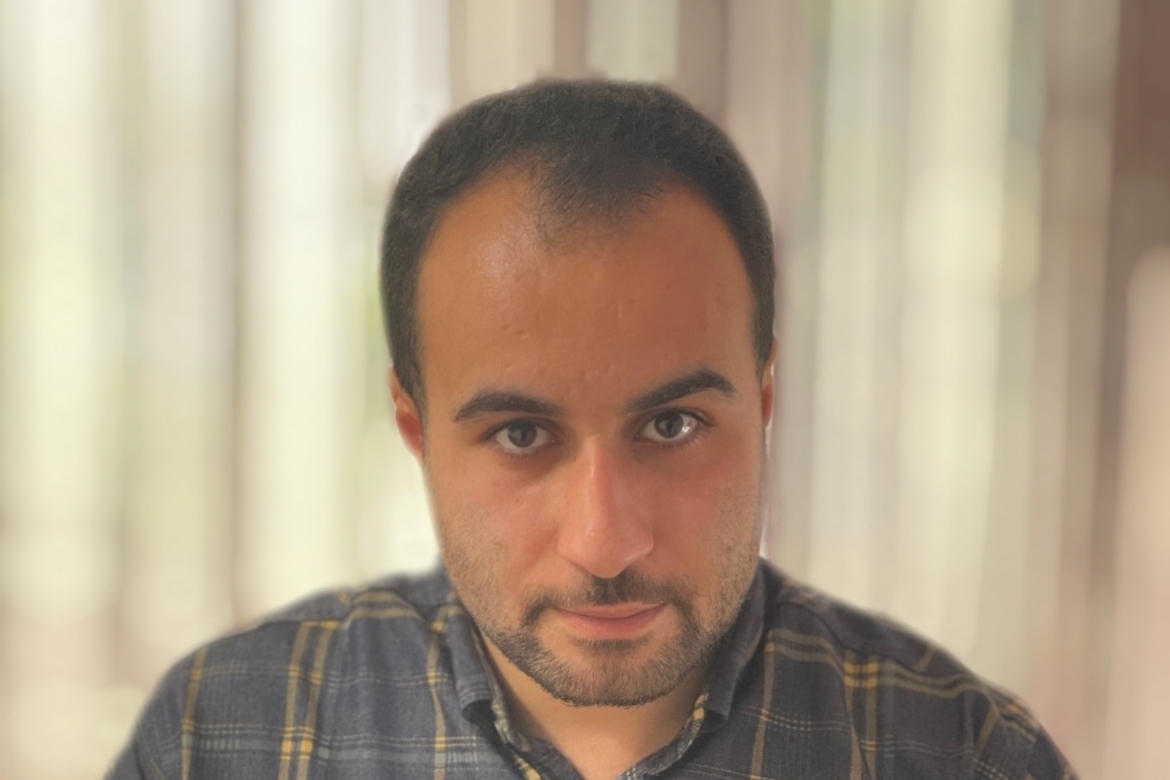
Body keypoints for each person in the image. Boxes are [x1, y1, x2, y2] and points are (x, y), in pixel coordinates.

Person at [108, 79, 1075, 780]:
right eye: (522, 437)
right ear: (415, 427)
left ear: (765, 401)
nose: (604, 543)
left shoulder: (963, 758)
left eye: (673, 424)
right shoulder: (219, 742)